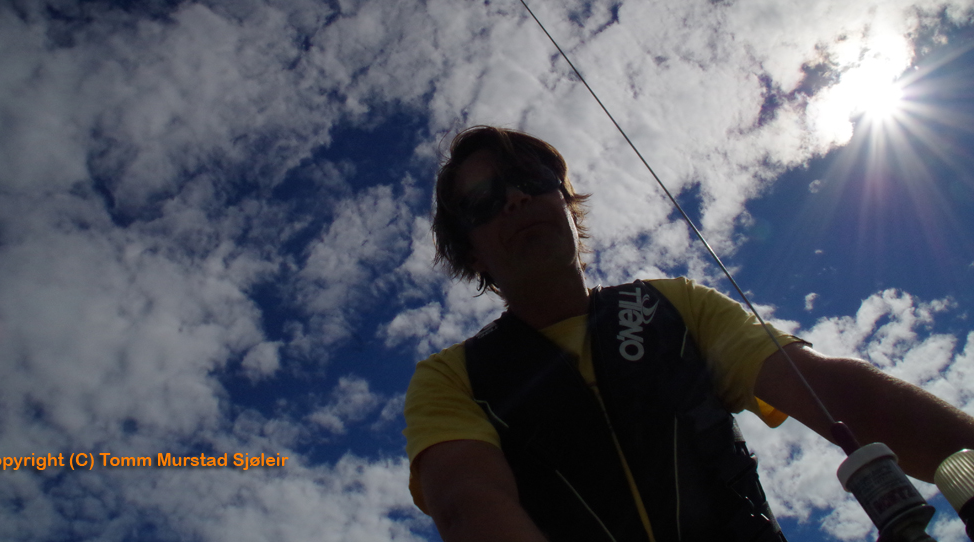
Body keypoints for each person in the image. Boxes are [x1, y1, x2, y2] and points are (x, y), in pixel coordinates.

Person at [403, 126, 974, 542]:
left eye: (532, 179)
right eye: (483, 200)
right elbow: (469, 504)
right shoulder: (451, 379)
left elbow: (827, 388)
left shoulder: (673, 306)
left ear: (568, 206)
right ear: (470, 254)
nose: (515, 197)